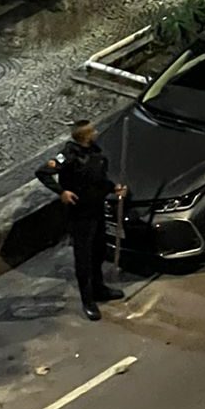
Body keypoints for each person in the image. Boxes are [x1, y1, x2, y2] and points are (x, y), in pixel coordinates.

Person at [35, 119, 125, 321]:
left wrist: (113, 188)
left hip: (96, 209)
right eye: (92, 130)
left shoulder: (95, 151)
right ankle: (88, 299)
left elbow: (97, 179)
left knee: (99, 250)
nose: (96, 132)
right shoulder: (68, 156)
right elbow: (43, 172)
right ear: (84, 136)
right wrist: (61, 192)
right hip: (80, 214)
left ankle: (99, 287)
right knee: (83, 257)